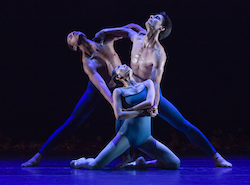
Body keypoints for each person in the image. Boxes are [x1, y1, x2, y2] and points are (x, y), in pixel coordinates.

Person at [93, 11, 232, 167]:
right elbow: (125, 31)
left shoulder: (158, 54)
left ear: (162, 28)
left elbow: (155, 83)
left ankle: (216, 156)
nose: (151, 18)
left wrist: (153, 104)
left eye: (156, 18)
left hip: (148, 92)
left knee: (182, 124)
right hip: (131, 92)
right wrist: (105, 31)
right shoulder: (137, 37)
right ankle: (127, 158)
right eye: (151, 16)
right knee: (120, 121)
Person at [21, 31, 123, 167]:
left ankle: (131, 156)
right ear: (75, 47)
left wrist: (140, 33)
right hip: (96, 90)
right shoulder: (88, 63)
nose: (73, 33)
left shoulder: (103, 38)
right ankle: (38, 156)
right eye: (70, 37)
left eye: (73, 33)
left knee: (131, 118)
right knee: (72, 122)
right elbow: (102, 86)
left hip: (118, 84)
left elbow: (127, 30)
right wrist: (113, 102)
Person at [70, 64, 180, 170]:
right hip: (126, 136)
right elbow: (119, 115)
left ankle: (144, 164)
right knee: (95, 165)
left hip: (145, 137)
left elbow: (150, 102)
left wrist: (131, 110)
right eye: (120, 67)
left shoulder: (147, 83)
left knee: (174, 163)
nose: (124, 65)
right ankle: (82, 161)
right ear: (118, 77)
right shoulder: (119, 91)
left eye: (123, 65)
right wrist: (140, 112)